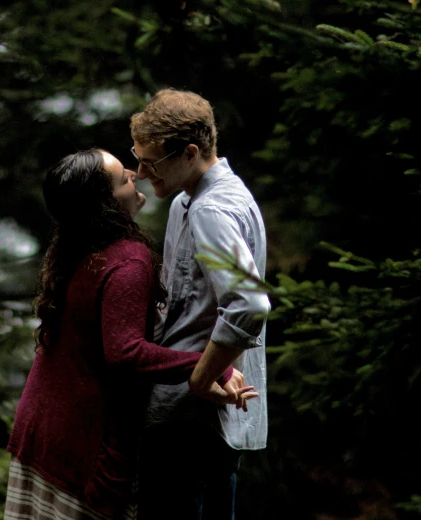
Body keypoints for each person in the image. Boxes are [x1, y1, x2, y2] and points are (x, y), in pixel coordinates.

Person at [4, 149, 258, 520]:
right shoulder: (127, 260)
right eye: (121, 177)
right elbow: (125, 352)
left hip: (40, 430)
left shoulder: (79, 244)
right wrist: (212, 366)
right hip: (79, 444)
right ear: (105, 203)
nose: (134, 174)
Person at [130, 89, 271, 520]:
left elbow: (248, 302)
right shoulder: (186, 203)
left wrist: (200, 378)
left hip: (191, 425)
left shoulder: (212, 209)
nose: (138, 173)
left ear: (190, 153)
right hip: (192, 418)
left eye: (150, 163)